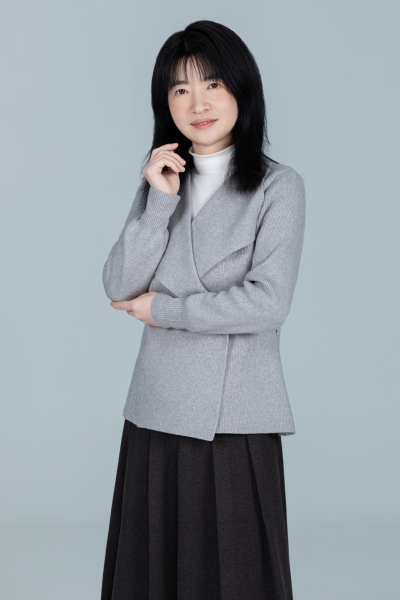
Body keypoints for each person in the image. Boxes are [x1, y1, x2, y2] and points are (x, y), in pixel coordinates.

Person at [100, 19, 306, 600]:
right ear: (165, 103)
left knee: (235, 578)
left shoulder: (278, 187)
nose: (198, 103)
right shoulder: (160, 182)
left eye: (213, 83)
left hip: (236, 413)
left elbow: (267, 303)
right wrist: (158, 203)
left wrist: (164, 310)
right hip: (156, 406)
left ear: (242, 88)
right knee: (150, 576)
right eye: (180, 88)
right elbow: (117, 284)